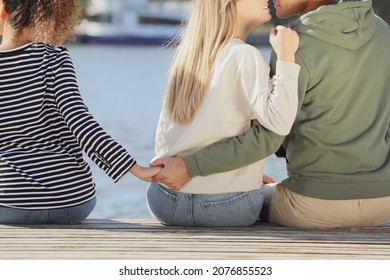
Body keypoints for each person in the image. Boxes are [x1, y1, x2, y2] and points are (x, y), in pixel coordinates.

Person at [151, 0, 390, 228]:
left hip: (314, 205)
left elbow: (268, 137)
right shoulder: (382, 31)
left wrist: (190, 166)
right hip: (383, 202)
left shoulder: (292, 43)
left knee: (252, 196)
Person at [0, 0, 160, 224]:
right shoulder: (53, 60)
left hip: (10, 205)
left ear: (3, 10)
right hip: (71, 203)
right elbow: (82, 124)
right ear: (45, 12)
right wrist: (137, 170)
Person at [147, 0, 300, 227]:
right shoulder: (245, 55)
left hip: (164, 201)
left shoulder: (187, 58)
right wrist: (287, 58)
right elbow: (280, 123)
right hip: (226, 206)